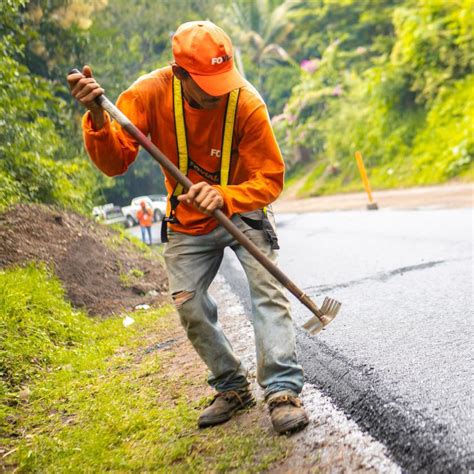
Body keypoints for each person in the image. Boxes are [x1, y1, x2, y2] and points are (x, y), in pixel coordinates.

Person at [67, 20, 309, 434]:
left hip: (242, 211)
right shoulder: (147, 94)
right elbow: (113, 164)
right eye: (207, 82)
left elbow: (269, 179)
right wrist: (96, 117)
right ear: (179, 74)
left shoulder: (246, 103)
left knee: (268, 290)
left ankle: (282, 390)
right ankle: (231, 386)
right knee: (189, 304)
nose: (220, 91)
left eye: (223, 78)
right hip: (187, 220)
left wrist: (226, 195)